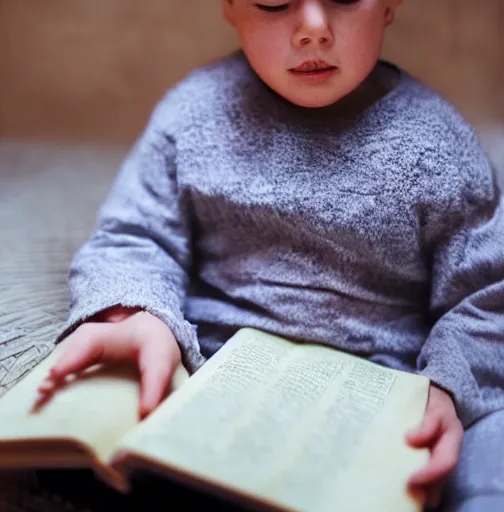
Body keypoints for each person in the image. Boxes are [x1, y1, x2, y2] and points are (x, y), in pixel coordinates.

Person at [37, 1, 504, 510]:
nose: (313, 30)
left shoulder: (437, 144)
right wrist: (136, 311)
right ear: (231, 6)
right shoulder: (193, 116)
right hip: (212, 395)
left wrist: (449, 388)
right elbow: (134, 236)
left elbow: (484, 295)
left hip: (384, 411)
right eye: (274, 1)